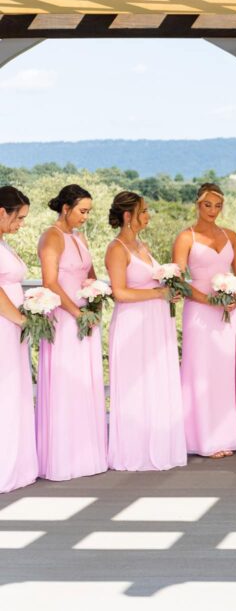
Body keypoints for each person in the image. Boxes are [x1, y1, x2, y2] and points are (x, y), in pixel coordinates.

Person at [105, 191, 187, 472]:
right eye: (144, 211)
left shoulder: (142, 245)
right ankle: (134, 451)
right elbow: (119, 292)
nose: (148, 215)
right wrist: (158, 293)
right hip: (132, 325)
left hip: (155, 322)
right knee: (135, 385)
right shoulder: (117, 249)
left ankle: (158, 446)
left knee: (154, 381)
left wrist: (170, 290)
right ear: (128, 216)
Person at [36, 184, 107, 480]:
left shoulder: (79, 237)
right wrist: (77, 313)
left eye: (88, 212)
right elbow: (50, 282)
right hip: (65, 319)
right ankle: (63, 459)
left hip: (85, 317)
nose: (85, 217)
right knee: (66, 382)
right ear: (66, 208)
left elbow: (89, 274)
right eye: (82, 211)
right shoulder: (51, 236)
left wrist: (95, 298)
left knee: (85, 382)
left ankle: (87, 455)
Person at [173, 183, 236, 459]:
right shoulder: (186, 237)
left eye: (218, 206)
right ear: (197, 205)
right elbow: (178, 281)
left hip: (227, 312)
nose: (213, 210)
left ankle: (226, 435)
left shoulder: (231, 236)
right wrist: (209, 300)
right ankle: (202, 439)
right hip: (199, 312)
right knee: (201, 371)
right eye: (207, 205)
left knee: (224, 371)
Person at [0, 186, 37, 493]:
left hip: (12, 325)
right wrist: (23, 320)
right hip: (5, 324)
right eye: (19, 218)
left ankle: (16, 463)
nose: (21, 224)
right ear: (2, 212)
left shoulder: (4, 243)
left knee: (14, 390)